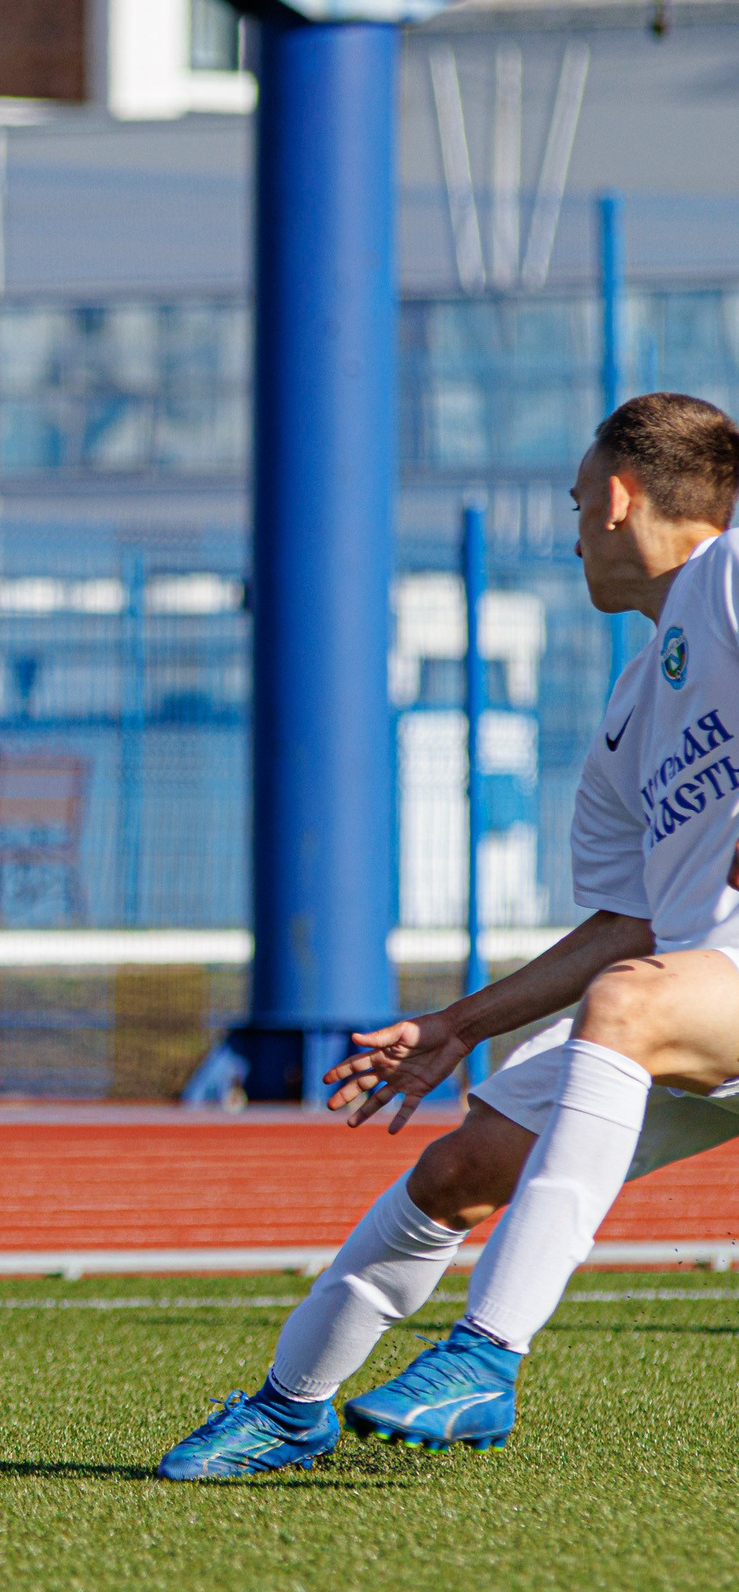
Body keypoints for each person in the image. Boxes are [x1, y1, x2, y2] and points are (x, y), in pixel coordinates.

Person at [159, 392, 739, 1480]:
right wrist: (454, 1026)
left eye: (576, 503)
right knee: (457, 1168)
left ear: (616, 499)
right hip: (700, 1000)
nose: (572, 533)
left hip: (689, 999)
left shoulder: (730, 576)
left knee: (629, 1005)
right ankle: (289, 1408)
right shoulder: (627, 720)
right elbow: (628, 924)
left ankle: (483, 1355)